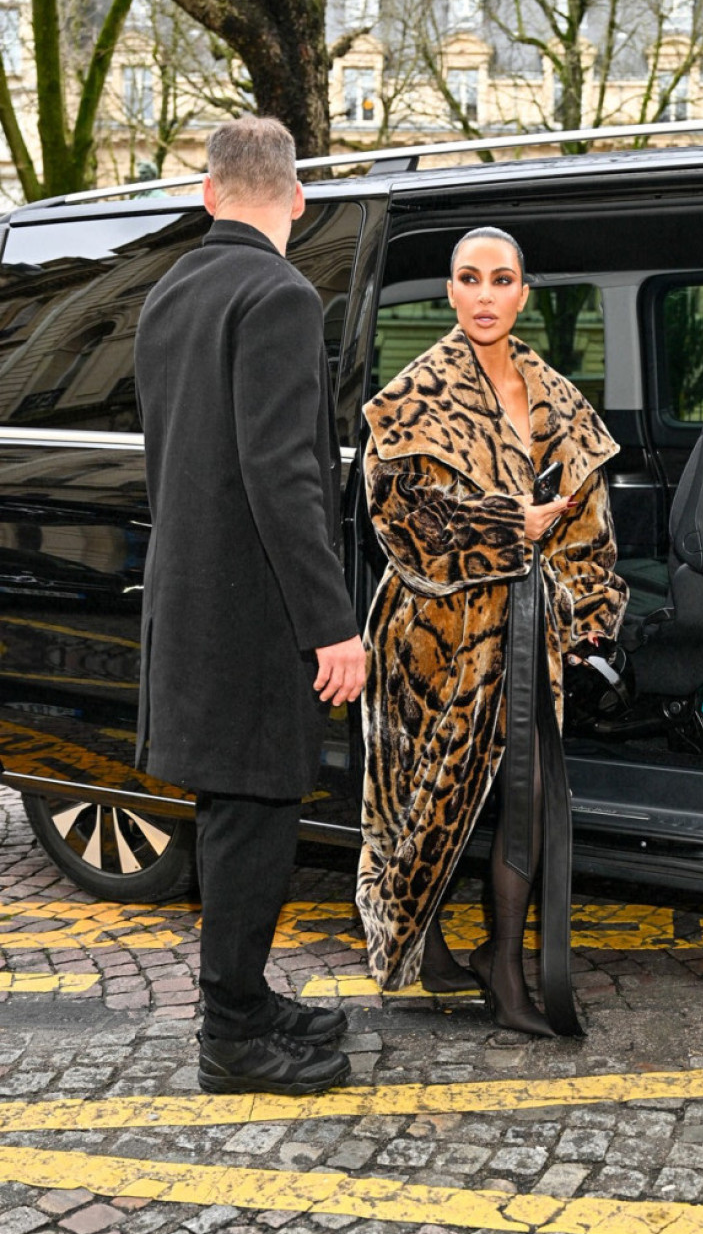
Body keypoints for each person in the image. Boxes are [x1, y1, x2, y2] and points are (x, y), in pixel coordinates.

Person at [134, 115, 366, 1094]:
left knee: (234, 812)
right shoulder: (277, 293)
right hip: (255, 610)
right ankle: (232, 1035)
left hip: (190, 598)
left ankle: (247, 996)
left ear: (209, 193)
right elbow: (284, 475)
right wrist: (332, 623)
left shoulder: (169, 291)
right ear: (298, 199)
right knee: (255, 815)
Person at [357, 226, 628, 1037]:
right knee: (426, 803)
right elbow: (400, 522)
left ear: (523, 292)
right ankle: (426, 941)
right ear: (449, 291)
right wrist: (510, 525)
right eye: (469, 278)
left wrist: (589, 611)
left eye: (501, 279)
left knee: (527, 792)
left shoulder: (557, 398)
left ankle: (503, 963)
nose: (484, 295)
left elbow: (588, 522)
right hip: (431, 633)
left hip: (525, 630)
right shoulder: (412, 396)